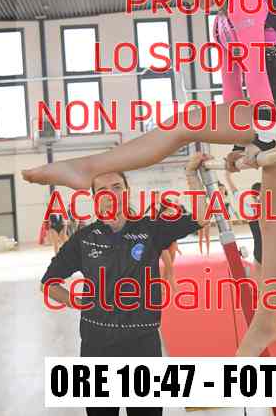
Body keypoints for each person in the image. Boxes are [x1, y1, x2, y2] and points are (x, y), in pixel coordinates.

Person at [23, 0, 276, 357]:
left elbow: (258, 66)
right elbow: (233, 86)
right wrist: (241, 144)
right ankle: (266, 322)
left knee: (186, 125)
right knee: (271, 221)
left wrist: (261, 133)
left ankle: (90, 167)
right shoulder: (221, 19)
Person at [40, 163, 209, 416]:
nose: (111, 194)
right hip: (97, 346)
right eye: (103, 190)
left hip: (142, 344)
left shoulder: (150, 229)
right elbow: (49, 283)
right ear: (95, 198)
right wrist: (78, 301)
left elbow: (201, 217)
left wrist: (191, 175)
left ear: (127, 191)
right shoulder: (83, 239)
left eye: (117, 187)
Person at [227, 170, 264, 283]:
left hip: (266, 247)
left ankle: (257, 283)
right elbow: (236, 193)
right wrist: (228, 178)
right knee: (260, 267)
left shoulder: (266, 206)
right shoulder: (250, 207)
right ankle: (255, 283)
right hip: (261, 248)